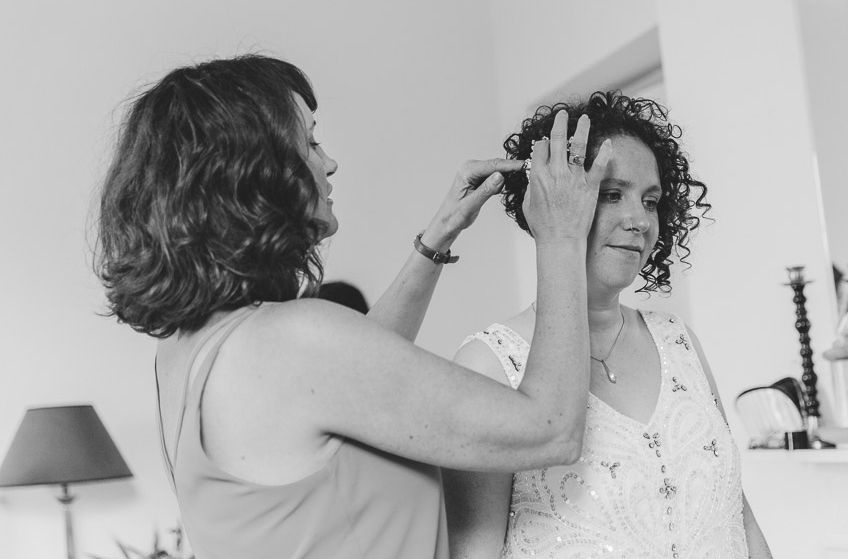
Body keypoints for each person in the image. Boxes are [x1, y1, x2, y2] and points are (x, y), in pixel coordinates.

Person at [94, 54, 613, 559]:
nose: (329, 161)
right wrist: (561, 235)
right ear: (254, 172)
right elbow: (551, 429)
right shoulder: (295, 341)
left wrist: (436, 241)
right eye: (311, 142)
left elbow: (352, 381)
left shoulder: (188, 353)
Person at [443, 92, 773, 558]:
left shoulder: (678, 340)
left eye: (652, 201)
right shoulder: (489, 366)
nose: (639, 220)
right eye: (611, 194)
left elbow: (740, 518)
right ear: (552, 199)